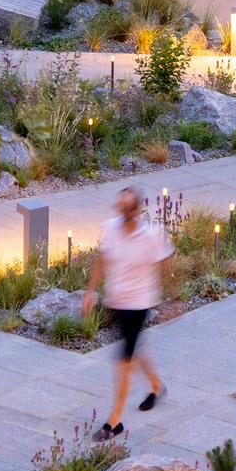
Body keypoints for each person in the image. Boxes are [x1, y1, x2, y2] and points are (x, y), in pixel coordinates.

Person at [82, 186, 173, 441]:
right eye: (119, 208)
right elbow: (101, 260)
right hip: (117, 301)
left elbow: (165, 265)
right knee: (133, 347)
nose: (123, 214)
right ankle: (156, 386)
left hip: (139, 302)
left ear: (138, 209)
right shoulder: (111, 228)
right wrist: (89, 292)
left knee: (123, 362)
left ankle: (115, 422)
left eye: (127, 209)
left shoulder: (152, 235)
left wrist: (172, 300)